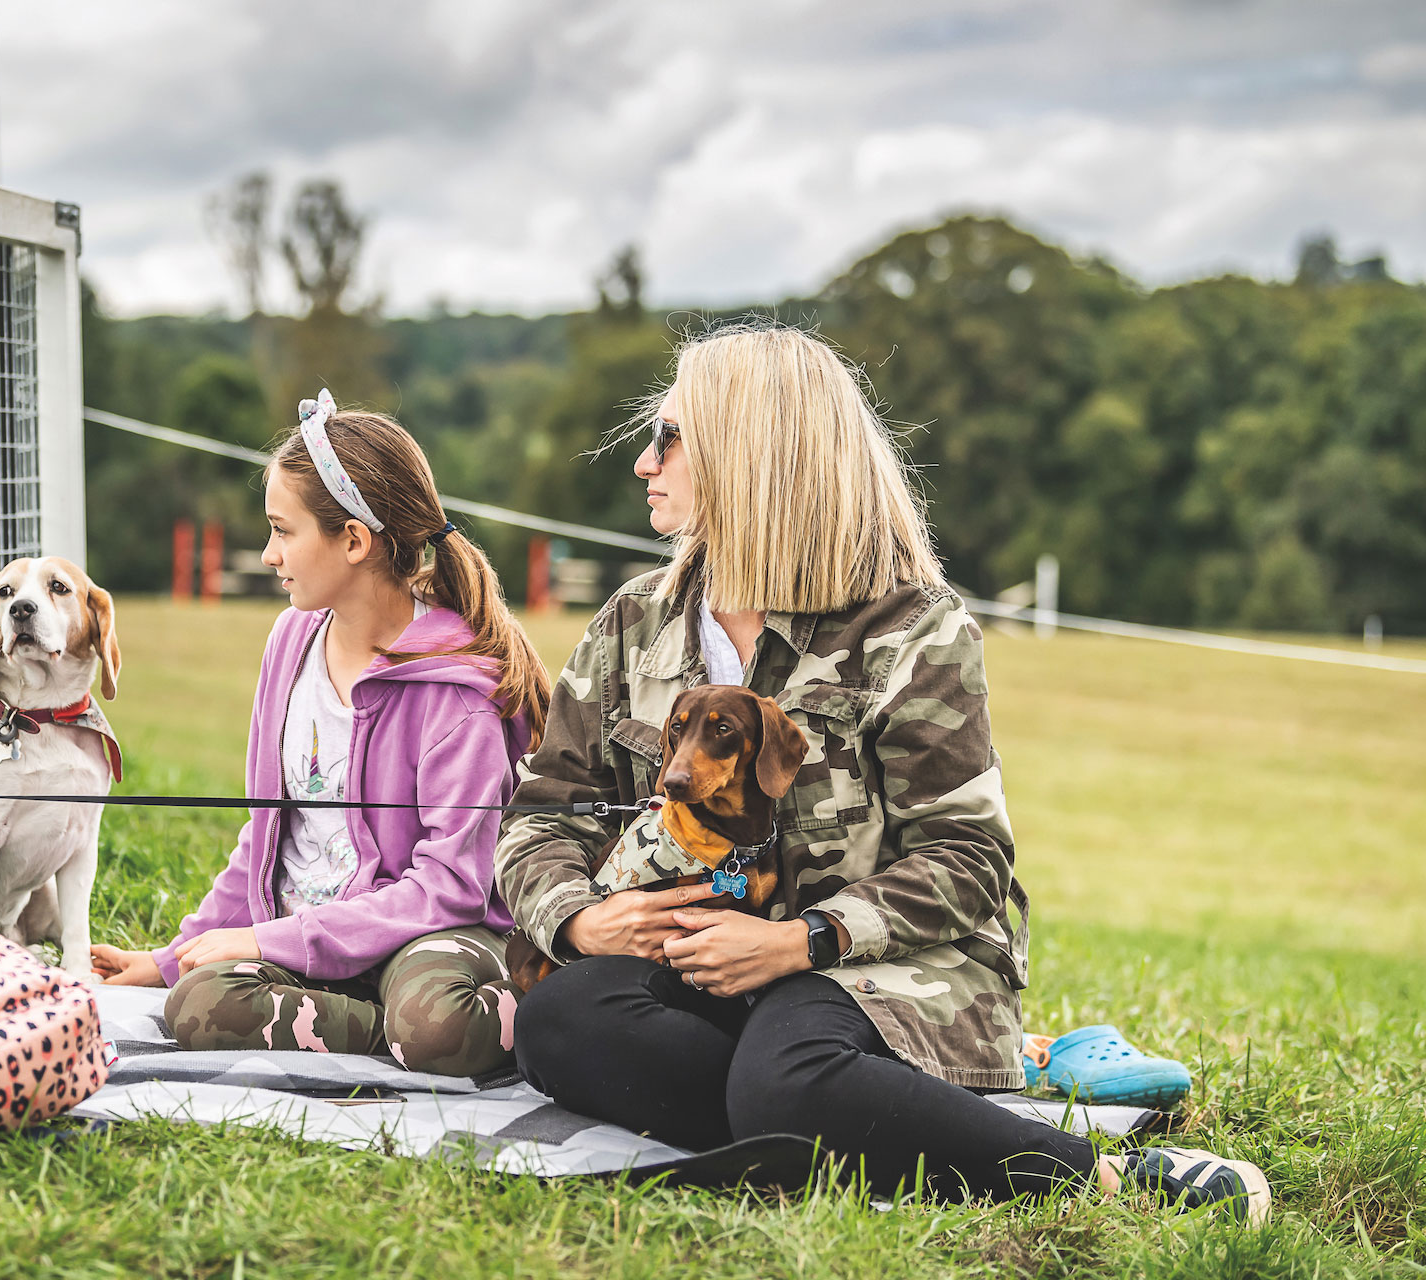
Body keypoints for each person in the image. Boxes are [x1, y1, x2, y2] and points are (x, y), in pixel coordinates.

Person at [495, 324, 1271, 1223]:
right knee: (559, 1025)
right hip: (703, 969)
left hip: (879, 972)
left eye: (672, 436)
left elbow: (967, 861)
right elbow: (542, 817)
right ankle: (839, 1113)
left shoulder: (915, 629)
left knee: (786, 1069)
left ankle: (1097, 1177)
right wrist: (581, 919)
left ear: (754, 455)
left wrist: (799, 942)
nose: (644, 461)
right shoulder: (635, 620)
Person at [92, 390, 549, 1078]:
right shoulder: (290, 642)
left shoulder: (457, 694)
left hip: (427, 938)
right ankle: (379, 1035)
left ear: (355, 541)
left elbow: (451, 886)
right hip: (303, 934)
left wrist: (279, 942)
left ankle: (408, 1030)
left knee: (439, 1022)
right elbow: (266, 837)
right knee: (197, 1004)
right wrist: (166, 959)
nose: (271, 553)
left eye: (283, 531)